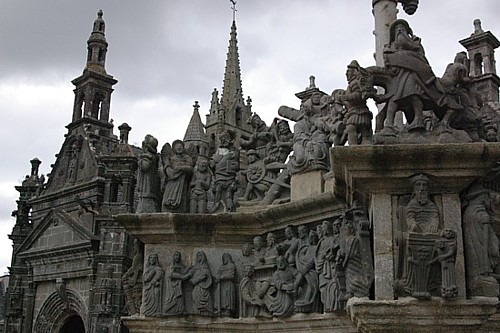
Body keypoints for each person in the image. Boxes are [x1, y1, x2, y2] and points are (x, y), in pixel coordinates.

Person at [340, 61, 374, 145]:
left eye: (348, 71)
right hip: (354, 111)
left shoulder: (356, 82)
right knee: (361, 131)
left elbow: (359, 95)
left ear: (354, 71)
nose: (346, 74)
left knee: (352, 128)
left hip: (358, 112)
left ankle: (354, 147)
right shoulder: (352, 83)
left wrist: (346, 97)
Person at [161, 140, 194, 213]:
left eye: (181, 146)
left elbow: (190, 169)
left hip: (182, 181)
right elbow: (167, 169)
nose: (179, 148)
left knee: (181, 199)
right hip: (171, 181)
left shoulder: (187, 157)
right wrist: (169, 170)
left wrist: (181, 168)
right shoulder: (171, 158)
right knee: (167, 197)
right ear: (174, 149)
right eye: (177, 147)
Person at [136, 135, 160, 213]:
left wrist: (141, 160)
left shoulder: (148, 157)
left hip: (147, 187)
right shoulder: (154, 157)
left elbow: (145, 167)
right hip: (150, 187)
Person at [185, 250, 213, 315]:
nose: (198, 258)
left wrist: (196, 280)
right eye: (197, 256)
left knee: (205, 299)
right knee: (194, 296)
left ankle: (205, 312)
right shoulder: (195, 267)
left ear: (203, 257)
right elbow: (189, 273)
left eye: (200, 256)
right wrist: (186, 272)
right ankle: (197, 312)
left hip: (203, 287)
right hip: (197, 287)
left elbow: (206, 275)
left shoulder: (205, 266)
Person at [164, 251, 187, 315]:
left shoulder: (182, 266)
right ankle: (169, 310)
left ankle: (179, 310)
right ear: (173, 257)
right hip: (171, 286)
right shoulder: (171, 266)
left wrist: (188, 270)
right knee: (172, 298)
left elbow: (185, 271)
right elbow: (170, 274)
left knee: (179, 298)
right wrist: (182, 276)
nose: (177, 257)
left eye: (178, 256)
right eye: (176, 255)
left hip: (179, 286)